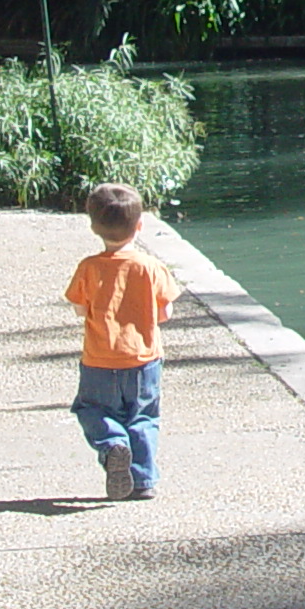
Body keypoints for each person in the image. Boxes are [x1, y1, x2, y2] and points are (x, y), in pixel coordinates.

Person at [65, 182, 180, 501]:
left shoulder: (88, 268)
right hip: (144, 360)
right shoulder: (151, 267)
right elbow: (165, 312)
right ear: (139, 225)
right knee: (143, 416)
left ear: (93, 227)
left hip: (99, 360)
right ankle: (142, 481)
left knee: (92, 408)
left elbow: (78, 309)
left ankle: (113, 441)